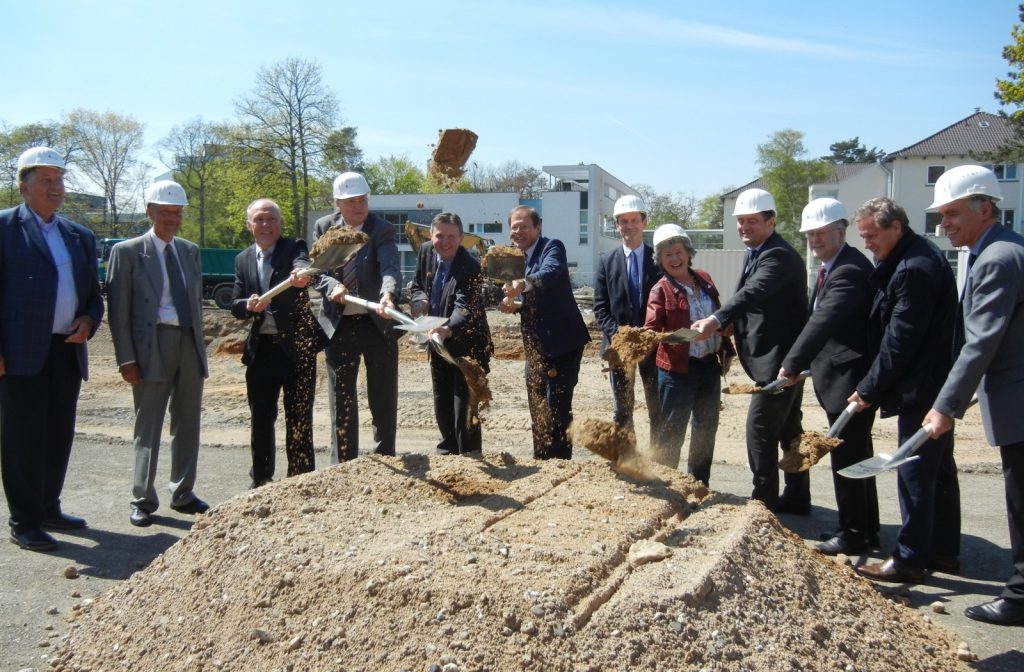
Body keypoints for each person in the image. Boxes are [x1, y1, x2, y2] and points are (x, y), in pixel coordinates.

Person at [922, 166, 1024, 624]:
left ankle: (1021, 596)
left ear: (985, 208)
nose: (945, 224)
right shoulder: (1009, 247)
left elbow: (982, 341)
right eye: (942, 215)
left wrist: (945, 406)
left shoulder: (998, 258)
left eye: (952, 213)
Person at [849, 196, 959, 584]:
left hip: (921, 386)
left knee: (913, 470)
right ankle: (944, 550)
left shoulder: (914, 268)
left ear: (896, 226)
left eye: (872, 235)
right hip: (932, 382)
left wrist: (868, 389)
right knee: (937, 468)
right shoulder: (913, 256)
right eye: (863, 236)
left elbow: (901, 340)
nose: (867, 243)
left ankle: (910, 557)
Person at [0, 147, 103, 552]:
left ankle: (48, 507)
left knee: (58, 434)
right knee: (22, 437)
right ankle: (24, 521)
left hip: (66, 350)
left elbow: (95, 296)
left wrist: (89, 321)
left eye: (59, 181)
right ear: (23, 186)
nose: (56, 188)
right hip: (19, 352)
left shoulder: (79, 235)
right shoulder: (5, 229)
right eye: (46, 181)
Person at [691, 188, 809, 513]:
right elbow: (754, 299)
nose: (744, 227)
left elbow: (754, 293)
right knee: (788, 429)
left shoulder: (778, 255)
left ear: (771, 222)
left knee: (760, 429)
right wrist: (731, 323)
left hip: (779, 362)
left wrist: (717, 319)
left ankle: (764, 501)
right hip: (779, 358)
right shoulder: (757, 251)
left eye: (752, 221)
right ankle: (798, 496)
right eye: (741, 221)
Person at [779, 199, 880, 555]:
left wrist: (791, 365)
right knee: (855, 455)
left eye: (822, 232)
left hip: (849, 377)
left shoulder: (849, 270)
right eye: (810, 234)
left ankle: (853, 533)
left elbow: (823, 322)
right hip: (841, 374)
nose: (815, 240)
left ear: (841, 230)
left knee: (847, 457)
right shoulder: (833, 267)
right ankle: (866, 529)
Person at [107, 180, 210, 527]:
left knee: (188, 422)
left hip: (188, 344)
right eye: (165, 212)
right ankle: (142, 498)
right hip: (150, 346)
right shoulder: (127, 252)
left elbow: (195, 303)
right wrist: (126, 358)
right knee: (148, 424)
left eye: (177, 212)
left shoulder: (189, 250)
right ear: (149, 212)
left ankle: (183, 492)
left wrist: (199, 348)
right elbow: (118, 311)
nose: (171, 218)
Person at [230, 199, 325, 487]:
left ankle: (300, 478)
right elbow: (235, 303)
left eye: (271, 219)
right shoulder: (243, 259)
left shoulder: (292, 247)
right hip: (261, 352)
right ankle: (261, 479)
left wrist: (300, 274)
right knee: (261, 418)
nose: (266, 225)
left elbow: (303, 264)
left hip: (297, 349)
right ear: (249, 226)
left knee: (298, 417)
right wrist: (247, 304)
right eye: (259, 220)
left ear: (279, 223)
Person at [313, 171, 401, 462]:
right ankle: (343, 463)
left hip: (377, 323)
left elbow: (389, 265)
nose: (359, 206)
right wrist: (331, 285)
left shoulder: (382, 229)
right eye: (351, 201)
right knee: (342, 399)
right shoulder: (324, 228)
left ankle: (384, 456)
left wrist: (388, 294)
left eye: (363, 200)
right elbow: (318, 271)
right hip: (339, 325)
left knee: (383, 396)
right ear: (338, 203)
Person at [643, 224, 734, 485]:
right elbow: (652, 332)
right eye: (667, 254)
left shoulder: (704, 279)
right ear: (660, 260)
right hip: (677, 372)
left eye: (679, 252)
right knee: (672, 432)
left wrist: (724, 327)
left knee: (705, 430)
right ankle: (665, 486)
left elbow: (718, 313)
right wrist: (689, 336)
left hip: (709, 368)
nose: (675, 259)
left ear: (688, 252)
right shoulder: (660, 289)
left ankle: (698, 485)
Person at [499, 206, 590, 459]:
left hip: (563, 343)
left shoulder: (552, 247)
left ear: (537, 228)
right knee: (537, 406)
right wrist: (510, 303)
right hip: (536, 347)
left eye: (524, 226)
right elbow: (514, 295)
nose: (518, 231)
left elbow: (549, 274)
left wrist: (523, 284)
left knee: (557, 408)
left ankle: (560, 462)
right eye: (514, 227)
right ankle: (541, 461)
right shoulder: (512, 258)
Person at [409, 212, 493, 455]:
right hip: (437, 341)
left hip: (468, 345)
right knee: (442, 401)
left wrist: (447, 329)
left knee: (463, 406)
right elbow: (416, 286)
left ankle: (469, 455)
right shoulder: (425, 252)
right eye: (439, 236)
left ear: (461, 237)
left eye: (451, 237)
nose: (444, 242)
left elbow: (465, 308)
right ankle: (447, 450)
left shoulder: (471, 267)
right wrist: (420, 299)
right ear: (432, 235)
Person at [593, 195, 662, 441]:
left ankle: (659, 461)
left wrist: (647, 337)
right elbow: (600, 308)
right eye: (624, 221)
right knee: (622, 410)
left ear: (644, 222)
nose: (629, 226)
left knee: (658, 409)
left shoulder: (659, 260)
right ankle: (627, 458)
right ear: (617, 225)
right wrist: (621, 337)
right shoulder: (606, 262)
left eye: (634, 220)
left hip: (653, 347)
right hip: (619, 349)